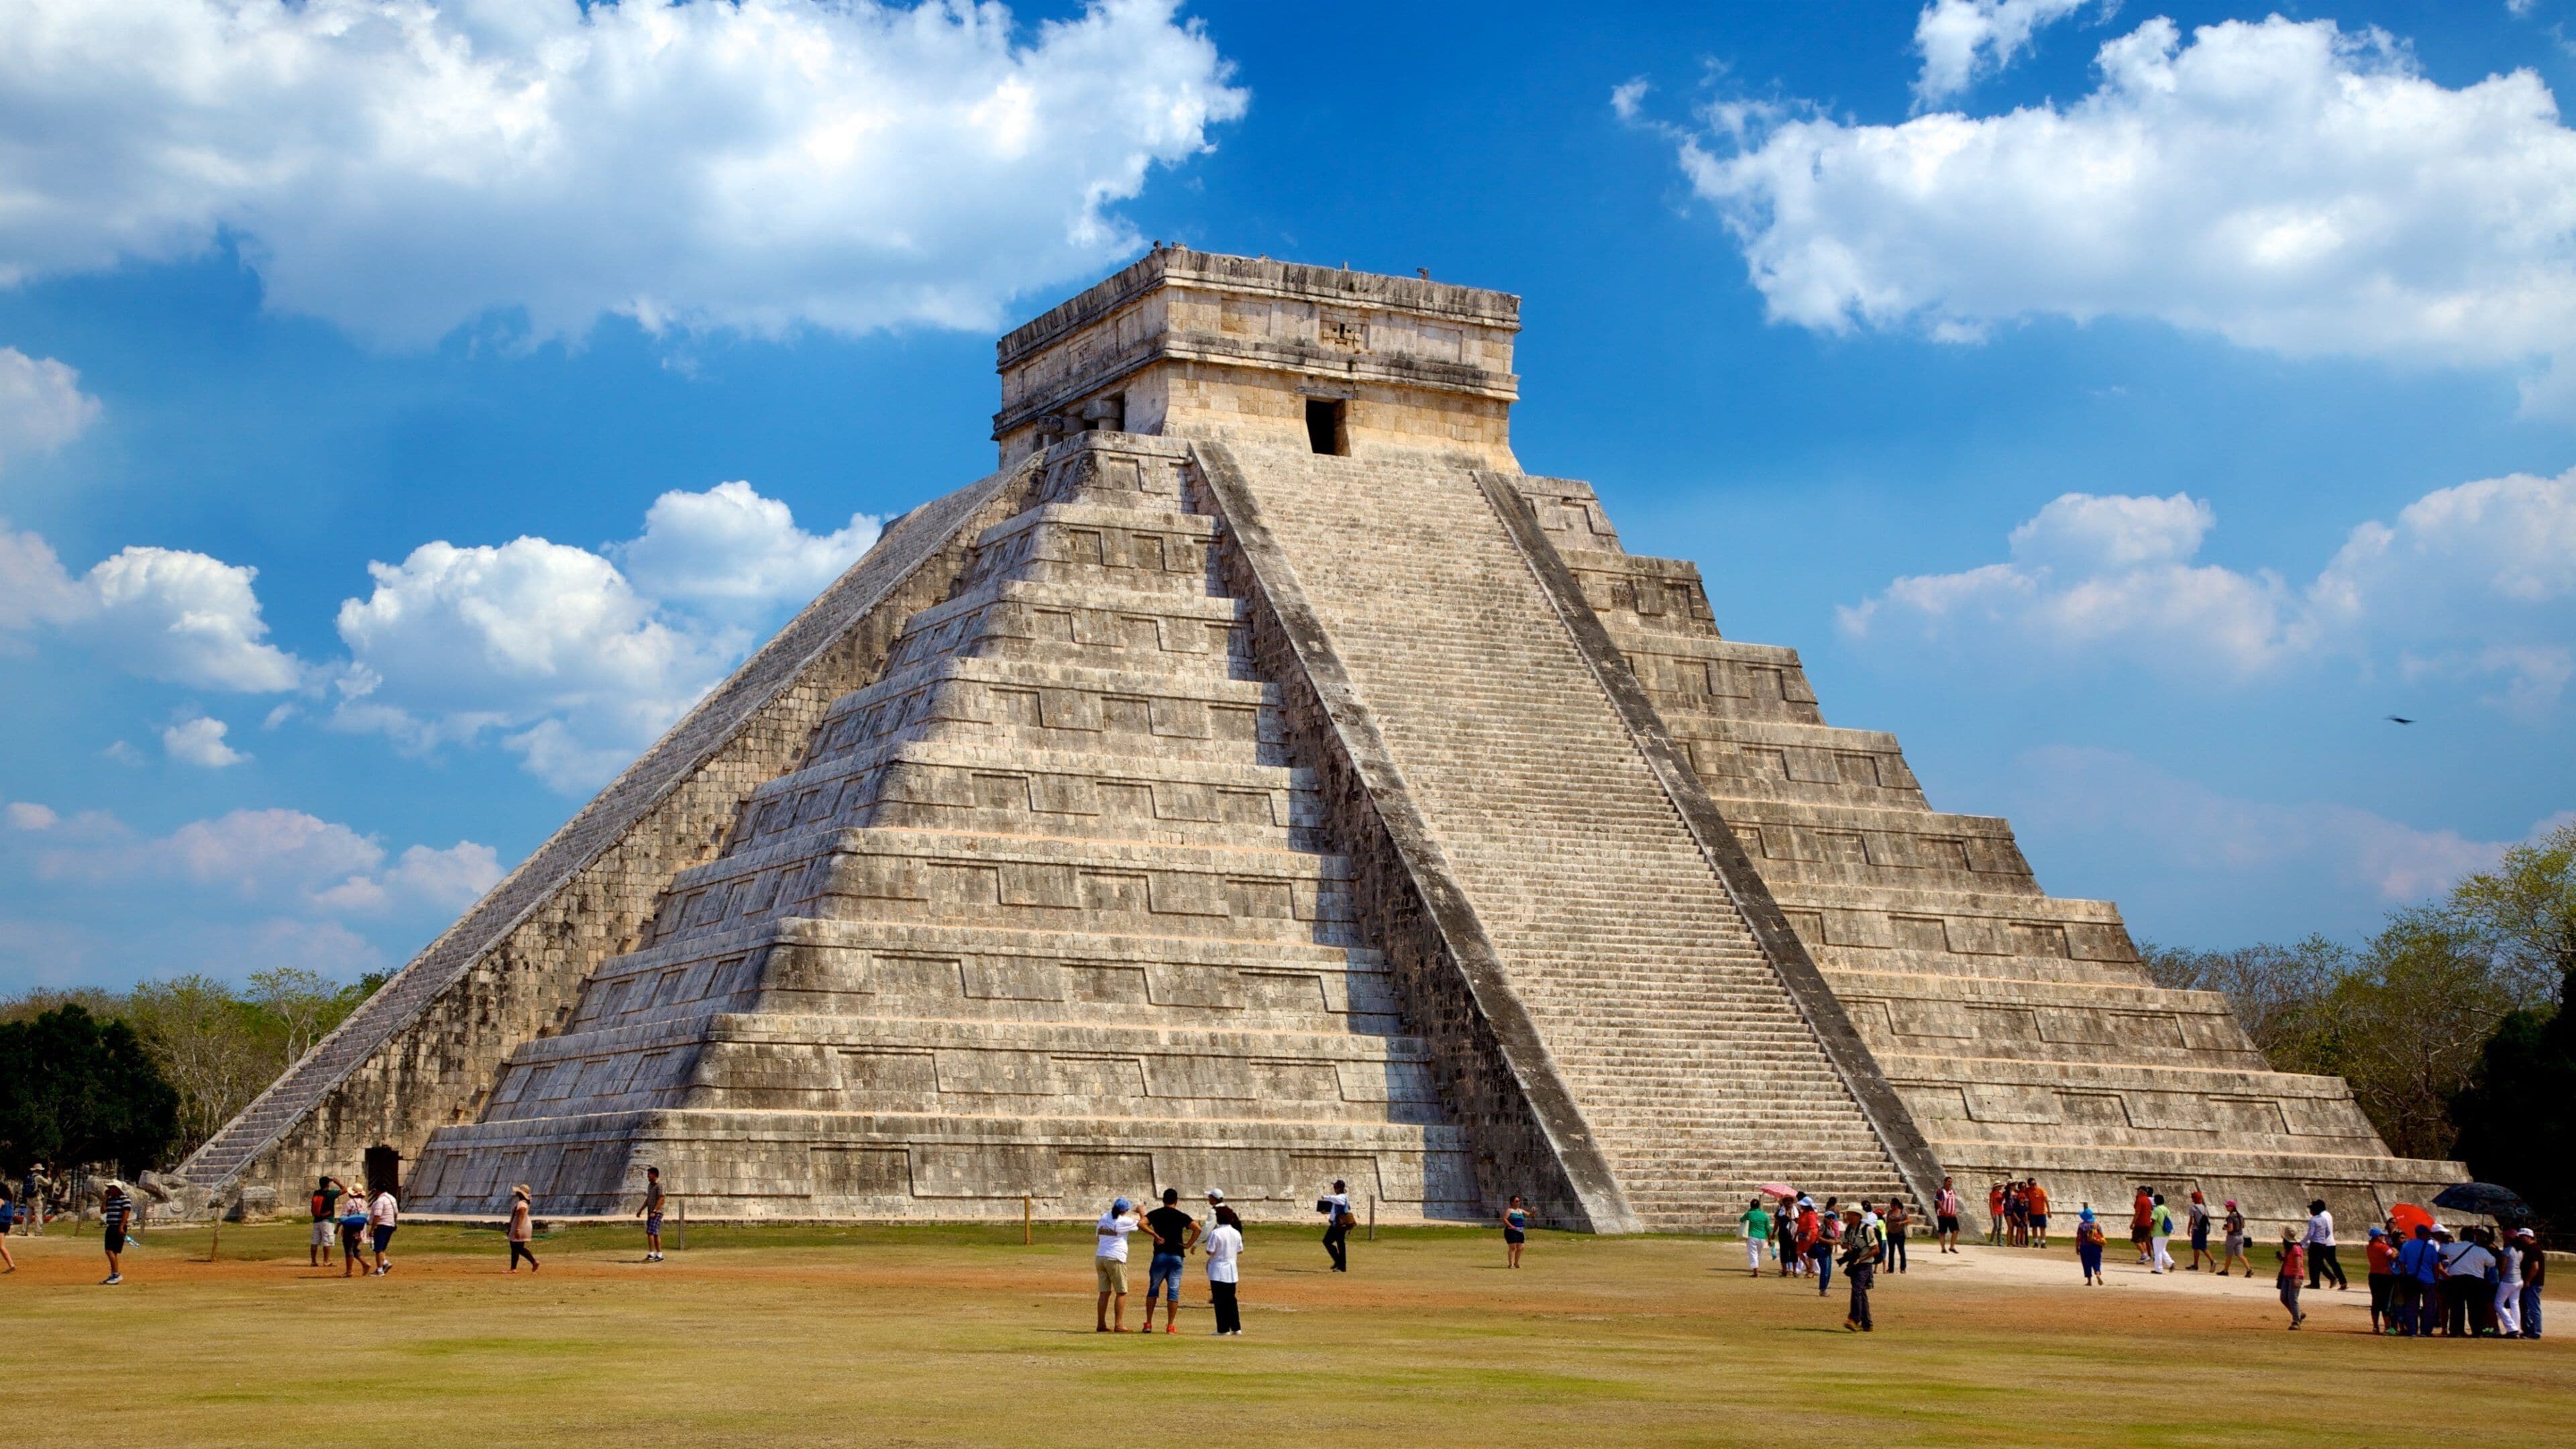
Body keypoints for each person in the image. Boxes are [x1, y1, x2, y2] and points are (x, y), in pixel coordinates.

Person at [1143, 1187, 1199, 1332]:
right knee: (1173, 1291)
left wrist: (1154, 1234)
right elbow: (1197, 1229)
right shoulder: (1181, 1216)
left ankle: (1148, 1323)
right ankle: (1170, 1325)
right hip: (1176, 1256)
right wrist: (1188, 1244)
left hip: (1160, 1255)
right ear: (1176, 1201)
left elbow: (1141, 1223)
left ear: (1163, 1200)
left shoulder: (1156, 1213)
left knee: (1153, 1289)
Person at [1094, 1196, 1141, 1332]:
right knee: (1121, 1292)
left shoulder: (1104, 1217)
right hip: (1115, 1258)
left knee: (1104, 1293)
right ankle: (1119, 1324)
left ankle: (1101, 1324)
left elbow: (1098, 1237)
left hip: (1100, 1256)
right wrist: (1141, 1212)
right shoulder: (1123, 1221)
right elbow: (1143, 1224)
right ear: (1125, 1210)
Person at [1203, 1196, 1244, 1337]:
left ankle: (1223, 1328)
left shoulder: (1216, 1233)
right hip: (1232, 1269)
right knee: (1231, 1299)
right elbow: (1240, 1250)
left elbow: (1210, 1250)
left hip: (1218, 1269)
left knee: (1220, 1300)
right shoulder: (1236, 1233)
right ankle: (1236, 1327)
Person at [2395, 1222, 2442, 1336]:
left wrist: (2405, 1276)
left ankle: (2412, 1330)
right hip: (2428, 1280)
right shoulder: (2430, 1248)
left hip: (2412, 1279)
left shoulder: (2407, 1246)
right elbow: (2436, 1266)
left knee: (2412, 1306)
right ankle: (2426, 1331)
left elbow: (2402, 1263)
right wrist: (2436, 1280)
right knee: (2429, 1307)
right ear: (2425, 1234)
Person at [1839, 1209, 1876, 1332]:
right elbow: (1843, 1243)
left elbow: (1876, 1250)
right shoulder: (1849, 1229)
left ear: (1857, 1216)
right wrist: (1848, 1246)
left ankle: (1854, 1319)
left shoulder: (1867, 1229)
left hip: (1864, 1264)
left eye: (1850, 1214)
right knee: (1861, 1293)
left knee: (1857, 1290)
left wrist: (1861, 1259)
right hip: (1854, 1263)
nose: (1847, 1216)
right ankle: (1867, 1323)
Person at [2304, 1199, 2346, 1291]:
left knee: (2315, 1262)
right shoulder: (2328, 1214)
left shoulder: (2319, 1217)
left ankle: (2319, 1281)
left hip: (2321, 1242)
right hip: (2330, 1242)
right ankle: (2343, 1281)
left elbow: (2316, 1232)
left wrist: (2307, 1243)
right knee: (2332, 1263)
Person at [100, 1179, 135, 1285]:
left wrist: (121, 1227)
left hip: (118, 1227)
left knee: (109, 1250)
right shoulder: (111, 1199)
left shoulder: (125, 1199)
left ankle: (116, 1274)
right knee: (113, 1252)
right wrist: (105, 1198)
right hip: (111, 1226)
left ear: (117, 1189)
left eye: (111, 1188)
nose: (109, 1190)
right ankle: (114, 1274)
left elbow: (126, 1213)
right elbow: (103, 1210)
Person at [309, 1175, 349, 1268]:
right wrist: (337, 1182)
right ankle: (326, 1261)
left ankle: (313, 1261)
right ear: (328, 1184)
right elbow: (345, 1190)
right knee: (327, 1240)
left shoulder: (316, 1193)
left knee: (315, 1240)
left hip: (317, 1219)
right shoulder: (330, 1193)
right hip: (328, 1219)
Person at [2365, 1226, 2397, 1334]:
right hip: (2386, 1276)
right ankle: (2388, 1328)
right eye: (2382, 1235)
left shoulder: (2369, 1247)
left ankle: (2375, 1327)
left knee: (2376, 1301)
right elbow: (2393, 1257)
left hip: (2374, 1275)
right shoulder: (2383, 1247)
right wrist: (2396, 1251)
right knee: (2386, 1302)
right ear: (2378, 1236)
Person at [2496, 1224, 2525, 1338]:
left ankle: (2512, 1328)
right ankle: (2517, 1328)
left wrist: (2500, 1278)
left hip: (2508, 1281)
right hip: (2518, 1280)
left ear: (2508, 1238)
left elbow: (2503, 1267)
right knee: (2514, 1304)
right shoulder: (2520, 1251)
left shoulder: (2507, 1250)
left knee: (2498, 1304)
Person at [1318, 1179, 1353, 1273]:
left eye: (1336, 1187)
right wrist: (1326, 1212)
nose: (1334, 1189)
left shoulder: (1341, 1197)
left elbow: (1333, 1199)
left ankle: (1342, 1266)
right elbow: (1335, 1209)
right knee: (1327, 1241)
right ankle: (1338, 1261)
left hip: (1340, 1225)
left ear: (1340, 1188)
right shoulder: (1339, 1198)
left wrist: (1325, 1197)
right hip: (1335, 1224)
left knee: (1341, 1245)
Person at [2517, 1226, 2545, 1341]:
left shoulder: (2533, 1249)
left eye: (2522, 1237)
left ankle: (2536, 1332)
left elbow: (2535, 1267)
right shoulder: (2529, 1248)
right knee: (2528, 1307)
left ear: (2529, 1237)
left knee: (2534, 1307)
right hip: (2531, 1282)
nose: (2520, 1239)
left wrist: (2528, 1280)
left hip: (2533, 1283)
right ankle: (2529, 1330)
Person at [635, 1165, 666, 1263]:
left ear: (654, 1175)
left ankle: (652, 1254)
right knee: (655, 1233)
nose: (648, 1176)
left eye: (649, 1174)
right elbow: (649, 1199)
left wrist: (655, 1211)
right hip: (651, 1212)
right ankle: (659, 1255)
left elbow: (661, 1198)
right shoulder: (650, 1186)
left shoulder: (659, 1185)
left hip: (657, 1212)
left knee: (650, 1232)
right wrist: (641, 1210)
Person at [2276, 1228, 2306, 1329]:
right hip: (2287, 1275)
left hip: (2295, 1276)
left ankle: (2296, 1321)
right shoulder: (2288, 1248)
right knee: (2284, 1298)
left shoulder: (2296, 1248)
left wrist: (2297, 1278)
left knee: (2292, 1298)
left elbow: (2299, 1264)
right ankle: (2298, 1314)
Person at [368, 1182, 399, 1276]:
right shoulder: (392, 1198)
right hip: (390, 1224)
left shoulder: (380, 1201)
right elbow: (396, 1212)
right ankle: (385, 1263)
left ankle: (380, 1270)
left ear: (377, 1190)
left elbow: (377, 1215)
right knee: (382, 1248)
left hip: (382, 1225)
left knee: (378, 1249)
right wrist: (393, 1222)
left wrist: (372, 1229)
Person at [506, 1185, 539, 1272]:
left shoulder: (522, 1204)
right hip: (523, 1226)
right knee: (517, 1247)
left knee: (517, 1247)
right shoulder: (524, 1202)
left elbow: (520, 1216)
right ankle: (514, 1268)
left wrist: (517, 1229)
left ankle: (533, 1261)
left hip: (520, 1226)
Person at [337, 1191, 370, 1278]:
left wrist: (337, 1228)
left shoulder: (350, 1203)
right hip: (361, 1229)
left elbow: (343, 1217)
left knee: (349, 1249)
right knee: (353, 1248)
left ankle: (349, 1271)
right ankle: (365, 1264)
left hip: (350, 1228)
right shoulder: (364, 1203)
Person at [1738, 1197, 1770, 1278]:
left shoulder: (1749, 1214)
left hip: (1752, 1236)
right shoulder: (1764, 1215)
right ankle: (1756, 1270)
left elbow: (1741, 1220)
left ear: (1751, 1206)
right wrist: (1769, 1239)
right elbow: (1768, 1229)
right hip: (1762, 1238)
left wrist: (1749, 1212)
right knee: (1758, 1254)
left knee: (1753, 1254)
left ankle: (1756, 1272)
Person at [2220, 1200, 2252, 1277]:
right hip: (2240, 1236)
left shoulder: (2230, 1217)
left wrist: (2225, 1228)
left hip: (2232, 1237)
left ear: (2232, 1207)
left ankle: (2226, 1271)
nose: (2226, 1207)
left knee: (2229, 1255)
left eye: (2227, 1206)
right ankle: (2249, 1270)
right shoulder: (2240, 1216)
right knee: (2240, 1255)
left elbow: (2230, 1229)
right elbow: (2243, 1226)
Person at [2075, 1206, 2106, 1285]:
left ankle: (2089, 1281)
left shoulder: (2081, 1226)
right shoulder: (2096, 1225)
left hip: (2084, 1247)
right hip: (2096, 1247)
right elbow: (2102, 1236)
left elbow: (2079, 1238)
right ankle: (2098, 1274)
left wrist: (2077, 1248)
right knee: (2096, 1262)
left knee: (2086, 1263)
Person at [2184, 1191, 2214, 1273]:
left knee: (2196, 1248)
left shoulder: (2193, 1208)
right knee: (2203, 1246)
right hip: (2203, 1230)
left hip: (2196, 1230)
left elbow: (2191, 1220)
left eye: (2193, 1197)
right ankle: (2203, 1263)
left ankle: (2198, 1264)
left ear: (2195, 1198)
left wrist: (2188, 1229)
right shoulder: (2204, 1208)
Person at [2148, 1193, 2176, 1275]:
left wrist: (2150, 1230)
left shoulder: (2156, 1210)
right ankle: (2171, 1263)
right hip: (2166, 1233)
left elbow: (2153, 1221)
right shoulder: (2166, 1209)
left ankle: (2158, 1269)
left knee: (2158, 1252)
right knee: (2162, 1250)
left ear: (2156, 1201)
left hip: (2157, 1233)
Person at [1933, 1177, 1962, 1254]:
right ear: (1945, 1182)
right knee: (1942, 1232)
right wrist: (1944, 1211)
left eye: (1951, 1182)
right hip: (1943, 1215)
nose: (1950, 1183)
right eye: (1949, 1182)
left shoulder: (1952, 1191)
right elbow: (1938, 1202)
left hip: (1952, 1215)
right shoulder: (1940, 1192)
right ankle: (1943, 1248)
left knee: (1955, 1231)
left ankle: (1952, 1247)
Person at [1774, 1195, 1799, 1277]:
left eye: (1790, 1201)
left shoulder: (1796, 1212)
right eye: (1786, 1200)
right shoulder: (1780, 1212)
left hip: (1793, 1235)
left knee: (1794, 1252)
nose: (1788, 1202)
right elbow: (1777, 1223)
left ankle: (1795, 1270)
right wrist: (1773, 1233)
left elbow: (1799, 1222)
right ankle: (1785, 1270)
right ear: (1784, 1202)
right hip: (1783, 1234)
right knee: (1784, 1251)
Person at [1883, 1197, 1910, 1273]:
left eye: (1892, 1205)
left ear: (1896, 1205)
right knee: (1891, 1252)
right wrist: (1886, 1229)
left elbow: (1909, 1220)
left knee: (1901, 1251)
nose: (1891, 1206)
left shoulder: (1903, 1212)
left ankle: (1903, 1268)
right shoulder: (1890, 1212)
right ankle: (1891, 1268)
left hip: (1900, 1234)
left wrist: (1901, 1223)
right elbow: (1888, 1222)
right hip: (1891, 1234)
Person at [1505, 1195, 1529, 1269]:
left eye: (1519, 1201)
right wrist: (1511, 1226)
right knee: (1513, 1248)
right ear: (1512, 1202)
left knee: (1520, 1247)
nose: (1519, 1202)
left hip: (1520, 1231)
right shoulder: (1509, 1210)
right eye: (1517, 1201)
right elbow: (1505, 1219)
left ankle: (1517, 1263)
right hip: (1511, 1231)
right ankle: (1511, 1264)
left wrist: (1533, 1212)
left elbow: (1529, 1215)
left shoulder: (1521, 1211)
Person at [2027, 1179, 2050, 1249]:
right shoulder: (2028, 1191)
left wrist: (2049, 1211)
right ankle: (2035, 1242)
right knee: (2034, 1228)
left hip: (2042, 1212)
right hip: (2033, 1212)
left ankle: (2043, 1243)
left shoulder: (2041, 1190)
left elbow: (2046, 1201)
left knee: (2042, 1228)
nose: (2034, 1185)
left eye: (2035, 1184)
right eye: (2032, 1184)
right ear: (2029, 1185)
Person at [1988, 1182, 2007, 1246]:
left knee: (2000, 1227)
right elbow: (1991, 1203)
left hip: (2000, 1211)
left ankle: (2000, 1241)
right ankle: (1991, 1240)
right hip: (1995, 1211)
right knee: (1996, 1225)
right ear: (1995, 1187)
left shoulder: (2000, 1194)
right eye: (1999, 1186)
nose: (2000, 1188)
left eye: (2000, 1186)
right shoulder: (1992, 1194)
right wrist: (1992, 1213)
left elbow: (2001, 1202)